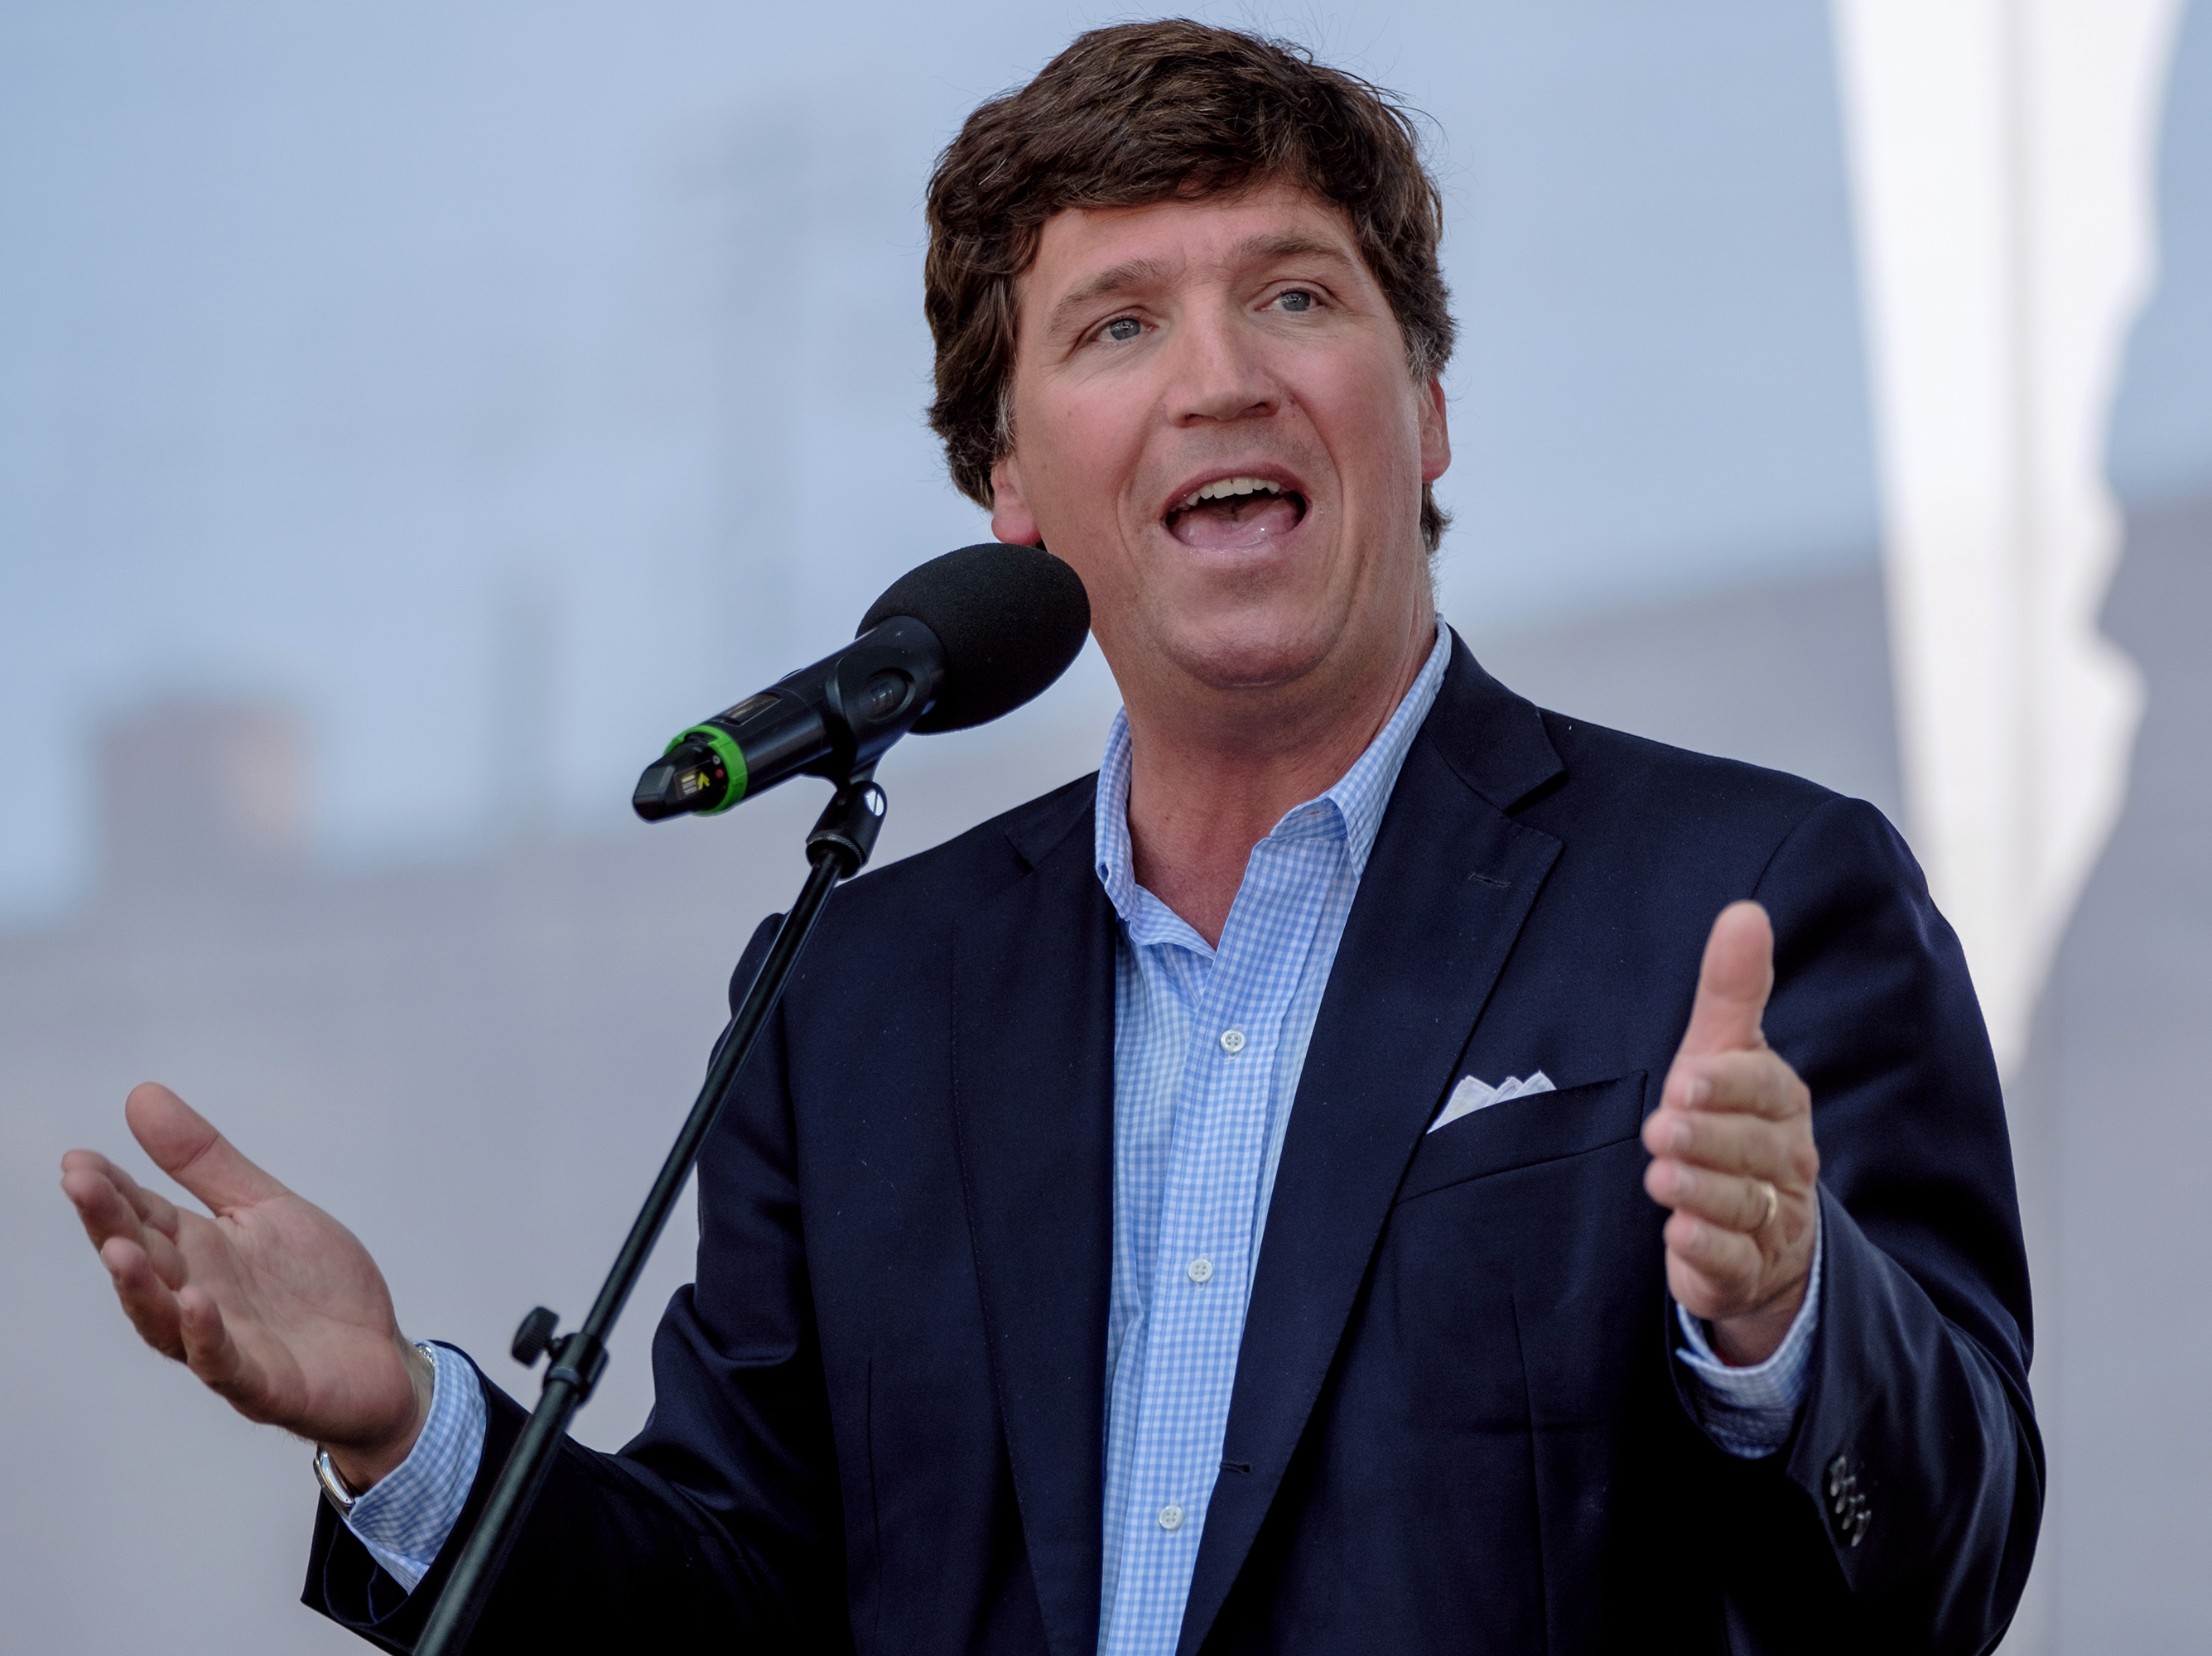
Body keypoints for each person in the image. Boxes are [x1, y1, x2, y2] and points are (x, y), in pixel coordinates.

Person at [59, 20, 2039, 1654]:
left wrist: (1786, 1318)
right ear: (1006, 483)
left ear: (1425, 412)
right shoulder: (860, 1000)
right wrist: (411, 1432)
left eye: (1294, 293)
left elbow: (1942, 1578)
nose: (1221, 374)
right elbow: (738, 1610)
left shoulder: (1753, 901)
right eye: (1114, 327)